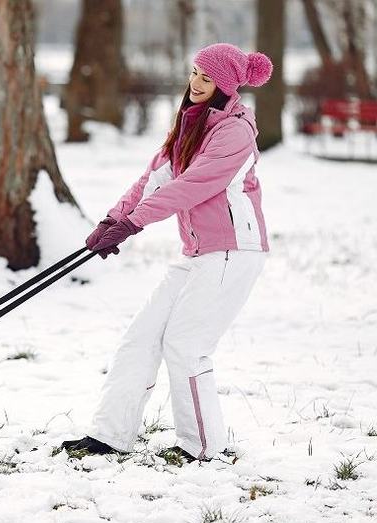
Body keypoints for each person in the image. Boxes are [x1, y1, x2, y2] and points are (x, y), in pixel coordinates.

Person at [62, 43, 273, 463]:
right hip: (196, 252)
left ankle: (203, 447)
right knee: (140, 338)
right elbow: (151, 180)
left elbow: (192, 185)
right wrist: (112, 222)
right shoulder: (189, 125)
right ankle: (110, 435)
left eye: (207, 78)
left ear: (226, 86)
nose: (195, 83)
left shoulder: (235, 131)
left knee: (186, 344)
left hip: (233, 250)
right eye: (194, 72)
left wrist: (136, 222)